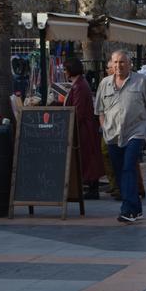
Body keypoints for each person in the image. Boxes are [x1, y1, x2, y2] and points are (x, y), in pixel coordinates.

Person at [95, 50, 146, 224]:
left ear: (129, 64)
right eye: (115, 62)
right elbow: (100, 110)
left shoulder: (142, 81)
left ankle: (127, 209)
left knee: (128, 167)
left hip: (135, 132)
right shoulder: (104, 83)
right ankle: (136, 208)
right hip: (112, 134)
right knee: (120, 171)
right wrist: (105, 127)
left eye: (122, 62)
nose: (118, 66)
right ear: (111, 65)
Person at [63, 59, 105, 199]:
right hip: (85, 127)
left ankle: (92, 188)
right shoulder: (80, 84)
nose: (64, 72)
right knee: (89, 157)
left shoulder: (79, 86)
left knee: (87, 157)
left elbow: (78, 110)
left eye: (65, 69)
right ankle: (91, 187)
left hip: (84, 128)